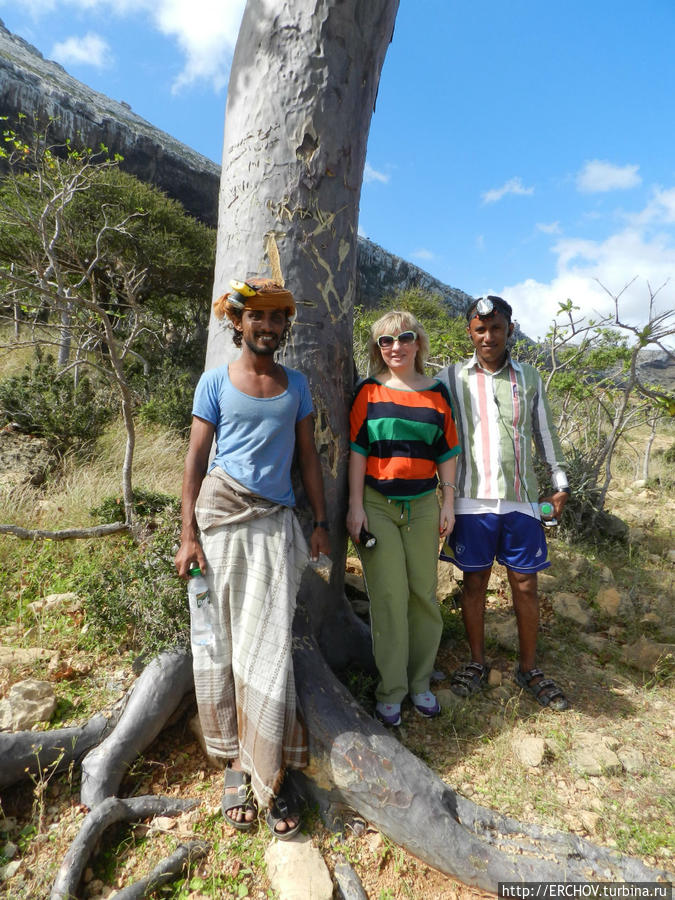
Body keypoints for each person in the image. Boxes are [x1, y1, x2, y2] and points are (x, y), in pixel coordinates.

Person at [174, 276, 330, 839]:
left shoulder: (297, 386)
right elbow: (196, 457)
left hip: (273, 522)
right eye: (256, 318)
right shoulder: (215, 383)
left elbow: (308, 458)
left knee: (267, 648)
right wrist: (188, 533)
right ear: (237, 322)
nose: (267, 327)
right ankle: (237, 763)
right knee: (225, 641)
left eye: (276, 318)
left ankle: (269, 767)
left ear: (286, 325)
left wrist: (319, 522)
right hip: (219, 519)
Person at [438, 295, 570, 710]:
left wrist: (560, 482)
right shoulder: (451, 378)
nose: (489, 336)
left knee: (526, 585)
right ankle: (477, 662)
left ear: (509, 329)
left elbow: (544, 432)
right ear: (470, 333)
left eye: (496, 328)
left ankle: (528, 667)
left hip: (522, 501)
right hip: (470, 501)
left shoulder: (529, 377)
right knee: (474, 583)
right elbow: (438, 435)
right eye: (481, 329)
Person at [347, 310, 461, 727]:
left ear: (418, 343)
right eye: (386, 341)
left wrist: (448, 503)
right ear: (378, 349)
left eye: (404, 338)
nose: (396, 347)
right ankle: (391, 690)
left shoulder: (438, 393)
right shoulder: (368, 392)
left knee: (423, 596)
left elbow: (448, 452)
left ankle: (420, 683)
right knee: (389, 598)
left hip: (424, 505)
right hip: (378, 504)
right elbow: (358, 452)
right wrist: (355, 506)